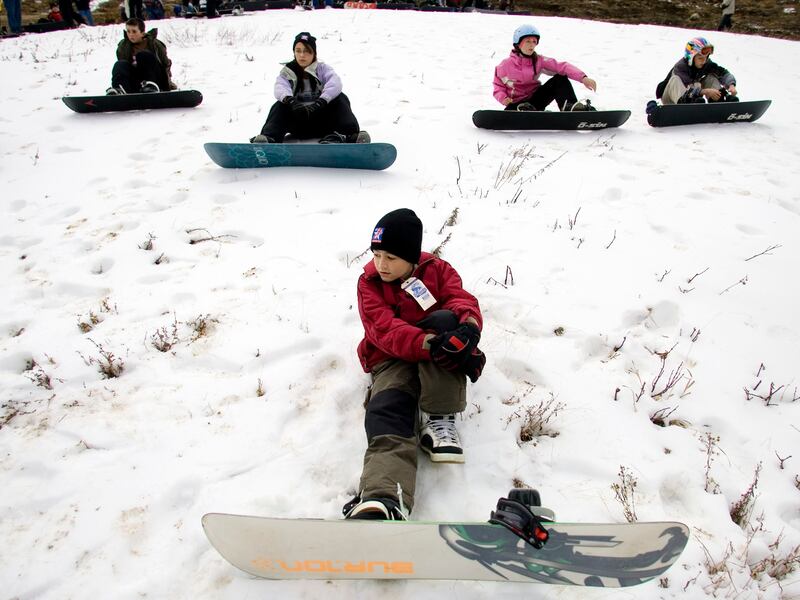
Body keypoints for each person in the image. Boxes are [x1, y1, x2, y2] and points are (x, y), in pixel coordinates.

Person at [342, 209, 487, 521]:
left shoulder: (438, 270)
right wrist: (428, 345)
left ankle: (440, 417)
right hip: (391, 356)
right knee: (388, 409)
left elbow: (461, 300)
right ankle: (384, 497)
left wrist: (469, 328)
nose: (381, 265)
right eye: (377, 254)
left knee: (448, 323)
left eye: (391, 258)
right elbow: (383, 330)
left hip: (433, 347)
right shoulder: (368, 282)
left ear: (411, 256)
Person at [251, 32, 366, 144]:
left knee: (340, 98)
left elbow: (335, 84)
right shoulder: (287, 72)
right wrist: (292, 102)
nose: (302, 55)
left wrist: (321, 102)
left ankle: (349, 136)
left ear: (313, 53)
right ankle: (269, 138)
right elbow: (280, 87)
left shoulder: (323, 69)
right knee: (279, 105)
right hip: (298, 123)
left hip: (323, 123)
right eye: (298, 51)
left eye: (307, 51)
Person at [493, 24, 597, 112]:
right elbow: (498, 87)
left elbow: (562, 67)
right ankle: (524, 111)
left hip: (535, 102)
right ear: (518, 44)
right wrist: (503, 98)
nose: (532, 45)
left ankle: (570, 107)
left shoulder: (539, 60)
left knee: (560, 79)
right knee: (517, 108)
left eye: (534, 41)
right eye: (528, 41)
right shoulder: (505, 65)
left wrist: (583, 78)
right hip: (516, 106)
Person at [655, 37, 737, 105]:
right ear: (691, 58)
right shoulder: (680, 67)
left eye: (706, 58)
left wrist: (731, 85)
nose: (704, 61)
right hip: (672, 98)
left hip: (693, 96)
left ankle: (719, 101)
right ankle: (686, 103)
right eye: (700, 58)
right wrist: (705, 91)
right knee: (676, 79)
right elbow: (688, 85)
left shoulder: (706, 64)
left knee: (710, 78)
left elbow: (723, 73)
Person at [107, 17, 175, 95]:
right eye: (128, 31)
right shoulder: (123, 46)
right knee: (120, 64)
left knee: (143, 55)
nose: (131, 35)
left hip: (155, 79)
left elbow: (165, 64)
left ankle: (151, 86)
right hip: (136, 80)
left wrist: (168, 83)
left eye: (134, 32)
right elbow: (124, 68)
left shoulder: (154, 44)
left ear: (142, 33)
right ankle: (119, 89)